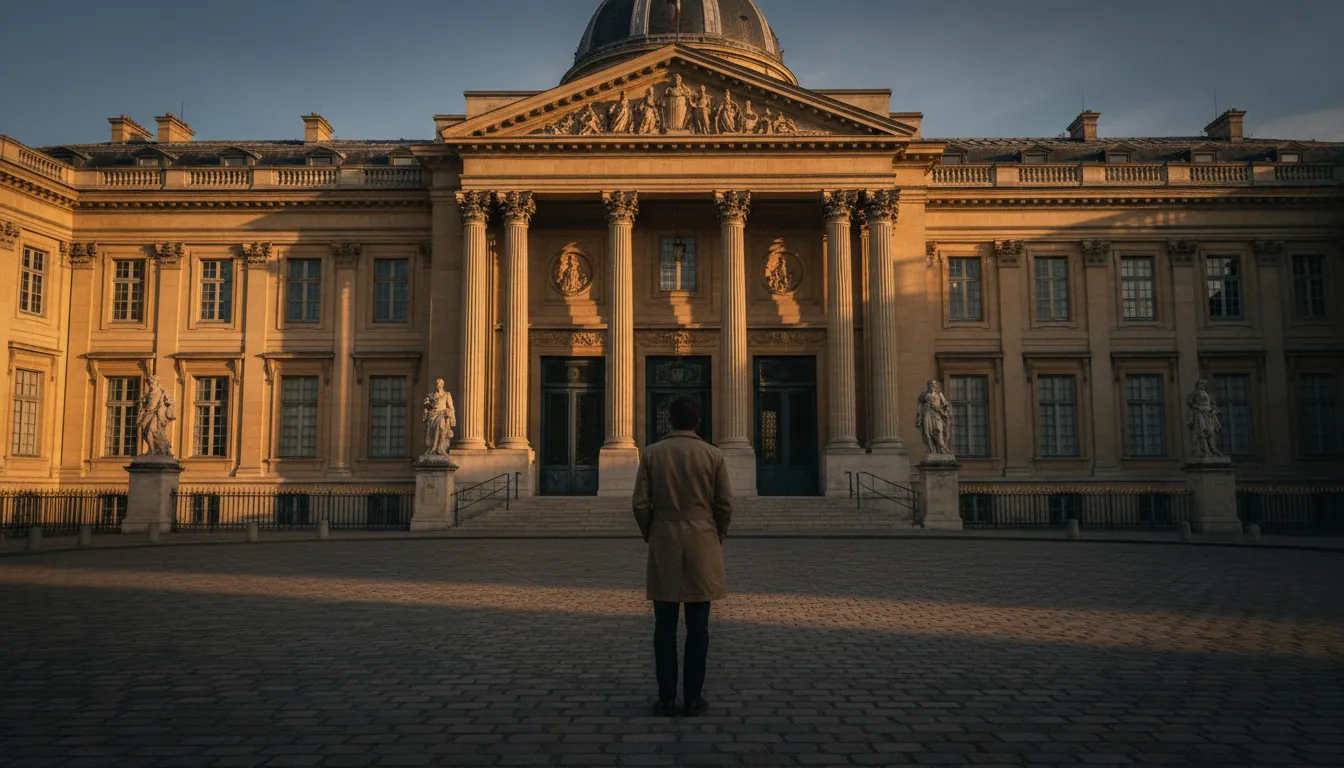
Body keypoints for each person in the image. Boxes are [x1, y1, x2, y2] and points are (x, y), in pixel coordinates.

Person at [632, 396, 733, 717]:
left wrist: (653, 531)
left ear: (669, 420)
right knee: (698, 627)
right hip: (703, 542)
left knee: (664, 626)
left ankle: (665, 697)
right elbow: (725, 505)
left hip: (665, 540)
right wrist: (716, 533)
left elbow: (640, 504)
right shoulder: (713, 455)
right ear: (699, 422)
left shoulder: (651, 454)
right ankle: (692, 697)